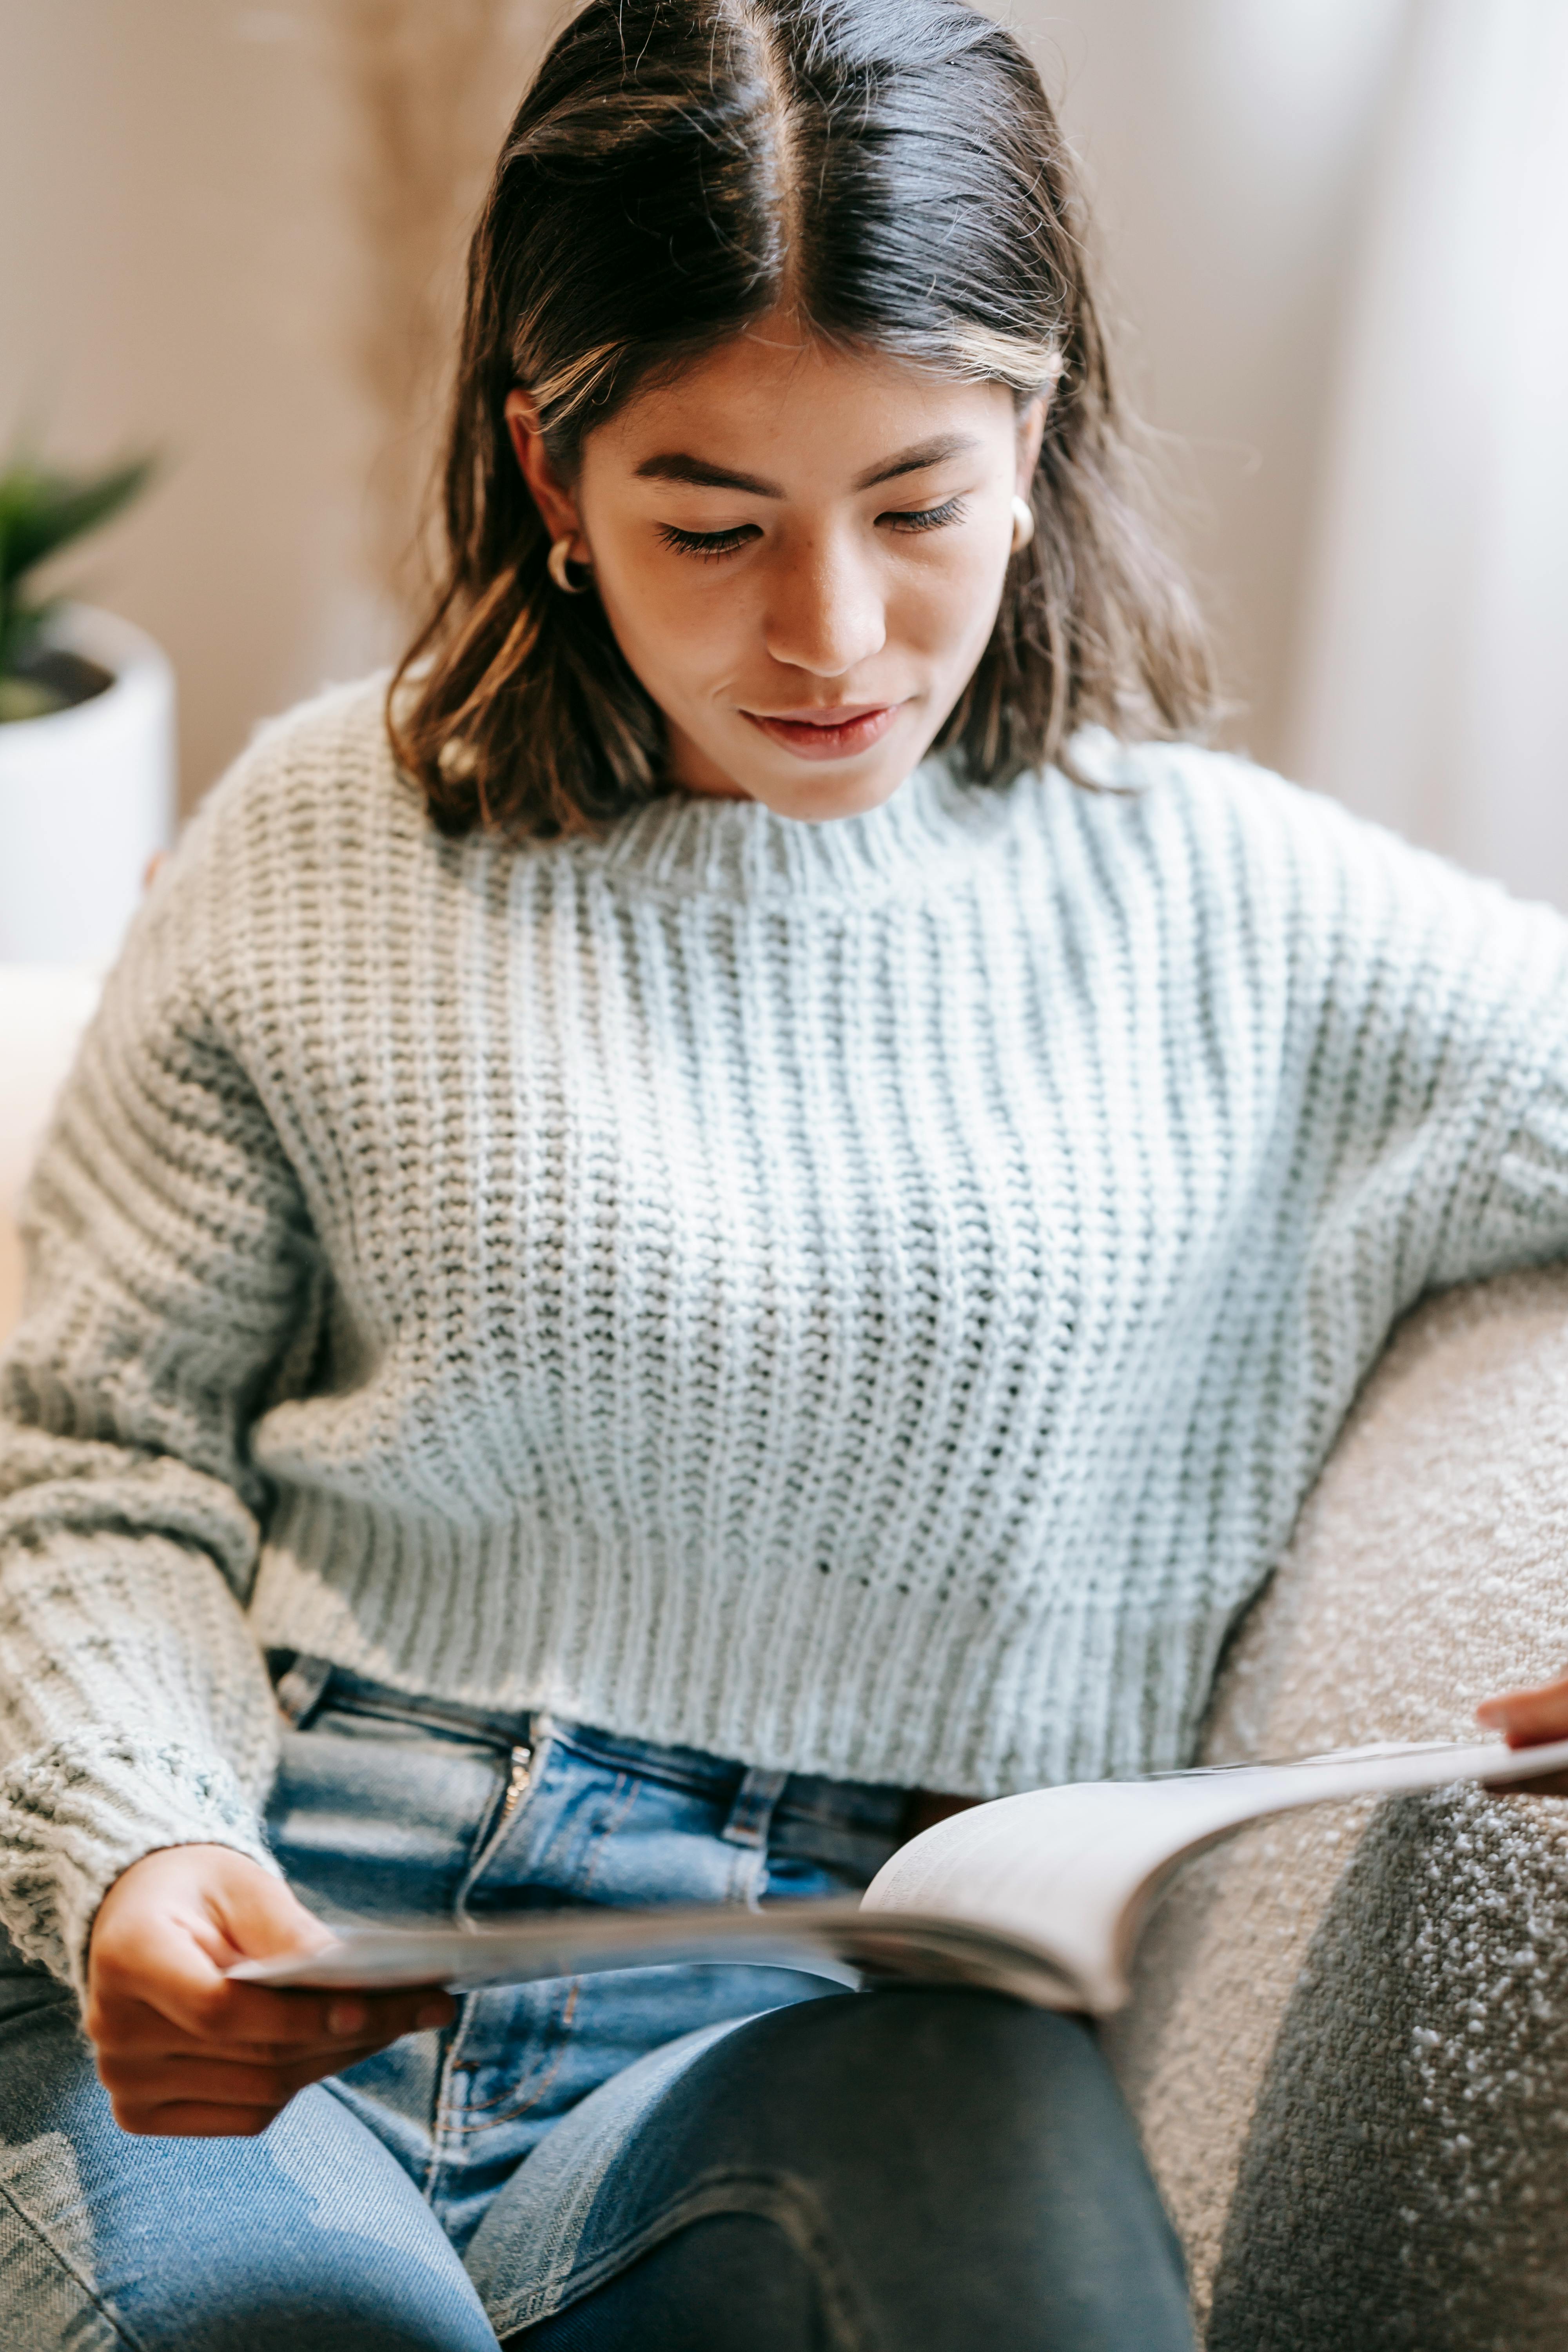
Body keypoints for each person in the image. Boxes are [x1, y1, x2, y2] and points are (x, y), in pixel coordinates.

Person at [3, 1, 1568, 2344]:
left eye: (917, 503)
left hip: (805, 2052)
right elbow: (87, 1460)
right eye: (709, 521)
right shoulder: (330, 838)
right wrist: (145, 1846)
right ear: (552, 471)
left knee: (982, 2162)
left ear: (1035, 439)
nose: (830, 635)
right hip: (280, 1965)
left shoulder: (1257, 930)